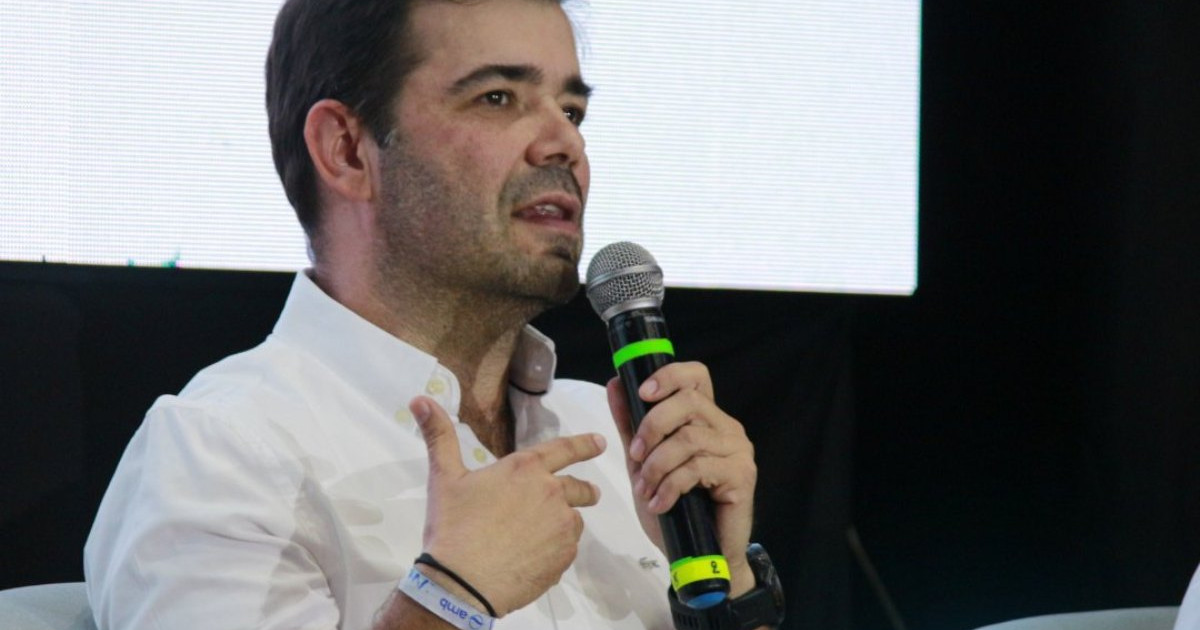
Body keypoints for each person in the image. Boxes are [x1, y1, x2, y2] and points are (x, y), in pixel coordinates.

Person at [84, 0, 763, 628]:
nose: (565, 143)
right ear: (347, 150)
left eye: (572, 109)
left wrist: (730, 582)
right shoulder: (222, 453)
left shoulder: (619, 440)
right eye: (498, 98)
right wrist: (448, 598)